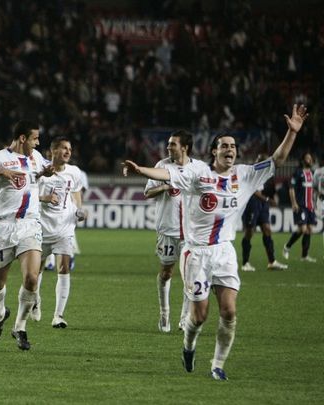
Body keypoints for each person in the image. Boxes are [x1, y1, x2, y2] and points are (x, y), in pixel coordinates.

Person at [122, 104, 307, 381]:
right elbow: (168, 174)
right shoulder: (199, 175)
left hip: (224, 252)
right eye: (224, 146)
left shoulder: (245, 174)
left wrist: (292, 133)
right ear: (214, 151)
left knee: (229, 311)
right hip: (196, 253)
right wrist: (141, 170)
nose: (229, 149)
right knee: (199, 317)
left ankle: (218, 365)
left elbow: (277, 159)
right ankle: (189, 346)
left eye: (233, 146)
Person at [0, 120, 54, 350]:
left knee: (32, 278)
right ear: (22, 138)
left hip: (29, 225)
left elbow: (41, 172)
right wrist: (1, 172)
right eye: (35, 138)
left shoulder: (37, 157)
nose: (38, 142)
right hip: (2, 226)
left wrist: (46, 172)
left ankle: (20, 327)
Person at [143, 130, 206, 333]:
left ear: (185, 147)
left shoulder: (198, 168)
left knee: (190, 277)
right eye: (169, 144)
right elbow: (147, 192)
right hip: (167, 230)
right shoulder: (162, 166)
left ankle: (184, 319)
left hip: (191, 233)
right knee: (166, 272)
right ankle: (164, 314)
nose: (168, 147)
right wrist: (163, 187)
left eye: (173, 144)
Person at [32, 137, 87, 328]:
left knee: (63, 268)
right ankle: (35, 301)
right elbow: (27, 193)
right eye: (63, 148)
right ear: (52, 151)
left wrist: (79, 209)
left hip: (65, 226)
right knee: (34, 272)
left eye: (69, 148)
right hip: (41, 227)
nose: (67, 151)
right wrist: (43, 198)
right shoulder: (42, 171)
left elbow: (77, 192)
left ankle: (58, 316)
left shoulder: (74, 172)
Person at [240, 153, 288, 271]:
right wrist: (267, 199)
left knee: (267, 229)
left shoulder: (267, 174)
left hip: (262, 204)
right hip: (251, 202)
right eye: (259, 159)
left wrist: (272, 197)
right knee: (249, 232)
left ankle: (272, 262)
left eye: (263, 160)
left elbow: (270, 189)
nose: (261, 162)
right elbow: (252, 190)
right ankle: (245, 263)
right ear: (256, 161)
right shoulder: (250, 172)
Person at [282, 152, 317, 263]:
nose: (309, 160)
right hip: (301, 205)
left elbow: (314, 190)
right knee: (302, 229)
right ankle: (287, 246)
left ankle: (304, 256)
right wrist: (293, 203)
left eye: (310, 158)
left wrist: (315, 202)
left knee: (309, 229)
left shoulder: (313, 173)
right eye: (307, 158)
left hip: (310, 206)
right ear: (303, 160)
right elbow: (291, 188)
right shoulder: (297, 173)